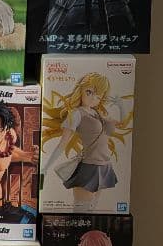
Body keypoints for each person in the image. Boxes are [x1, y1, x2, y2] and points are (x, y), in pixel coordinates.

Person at [40, 72, 132, 208]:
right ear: (81, 90)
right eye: (89, 92)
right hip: (89, 167)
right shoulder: (77, 114)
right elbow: (62, 144)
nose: (93, 98)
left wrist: (121, 106)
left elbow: (121, 124)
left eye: (98, 96)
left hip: (104, 166)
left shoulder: (97, 113)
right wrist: (45, 167)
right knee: (81, 208)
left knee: (93, 209)